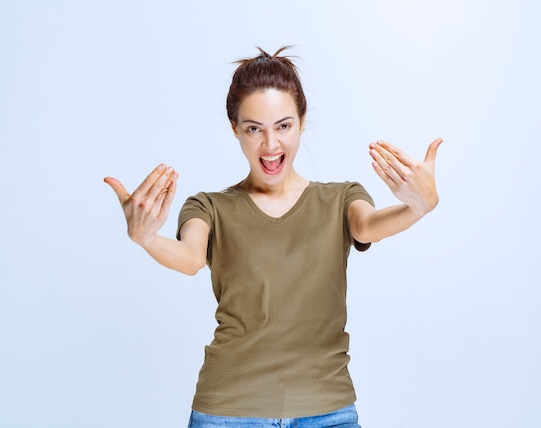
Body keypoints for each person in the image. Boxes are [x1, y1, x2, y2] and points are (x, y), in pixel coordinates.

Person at [104, 46, 442, 428]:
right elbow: (189, 258)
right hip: (228, 414)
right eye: (254, 129)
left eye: (283, 126)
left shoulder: (341, 198)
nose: (270, 146)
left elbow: (368, 225)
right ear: (235, 129)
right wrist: (146, 237)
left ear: (302, 121)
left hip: (327, 412)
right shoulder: (209, 207)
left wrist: (418, 207)